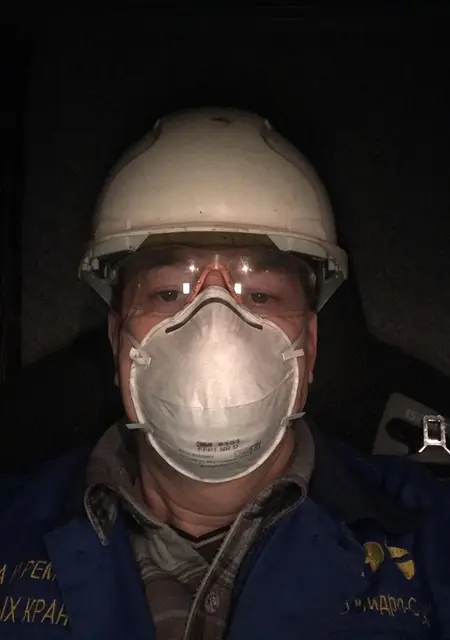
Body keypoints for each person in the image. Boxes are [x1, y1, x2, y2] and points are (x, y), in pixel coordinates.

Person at [0, 107, 448, 640]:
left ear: (308, 345)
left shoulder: (429, 534)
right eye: (170, 293)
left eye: (258, 296)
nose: (215, 331)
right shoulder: (10, 526)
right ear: (118, 339)